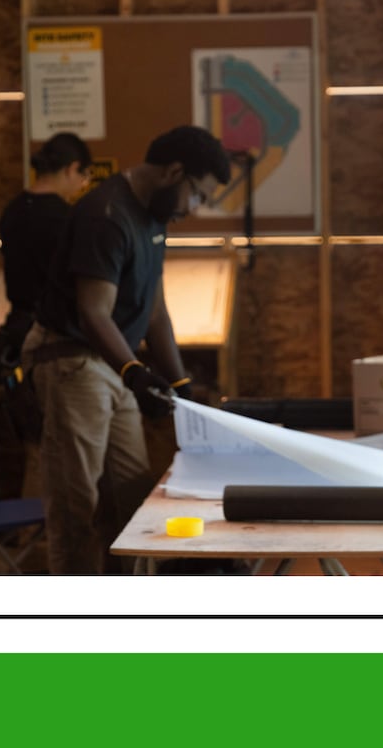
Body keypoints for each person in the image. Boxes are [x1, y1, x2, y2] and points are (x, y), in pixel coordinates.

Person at [23, 125, 231, 574]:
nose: (195, 209)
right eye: (196, 194)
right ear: (174, 172)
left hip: (109, 365)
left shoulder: (153, 217)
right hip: (71, 360)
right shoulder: (108, 214)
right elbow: (94, 313)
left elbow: (155, 311)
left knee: (134, 503)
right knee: (76, 508)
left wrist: (180, 385)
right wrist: (134, 371)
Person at [0, 132, 94, 496]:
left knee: (36, 445)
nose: (81, 186)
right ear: (72, 168)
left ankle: (30, 539)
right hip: (55, 340)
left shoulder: (13, 212)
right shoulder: (66, 218)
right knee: (61, 450)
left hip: (16, 336)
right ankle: (45, 542)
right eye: (83, 177)